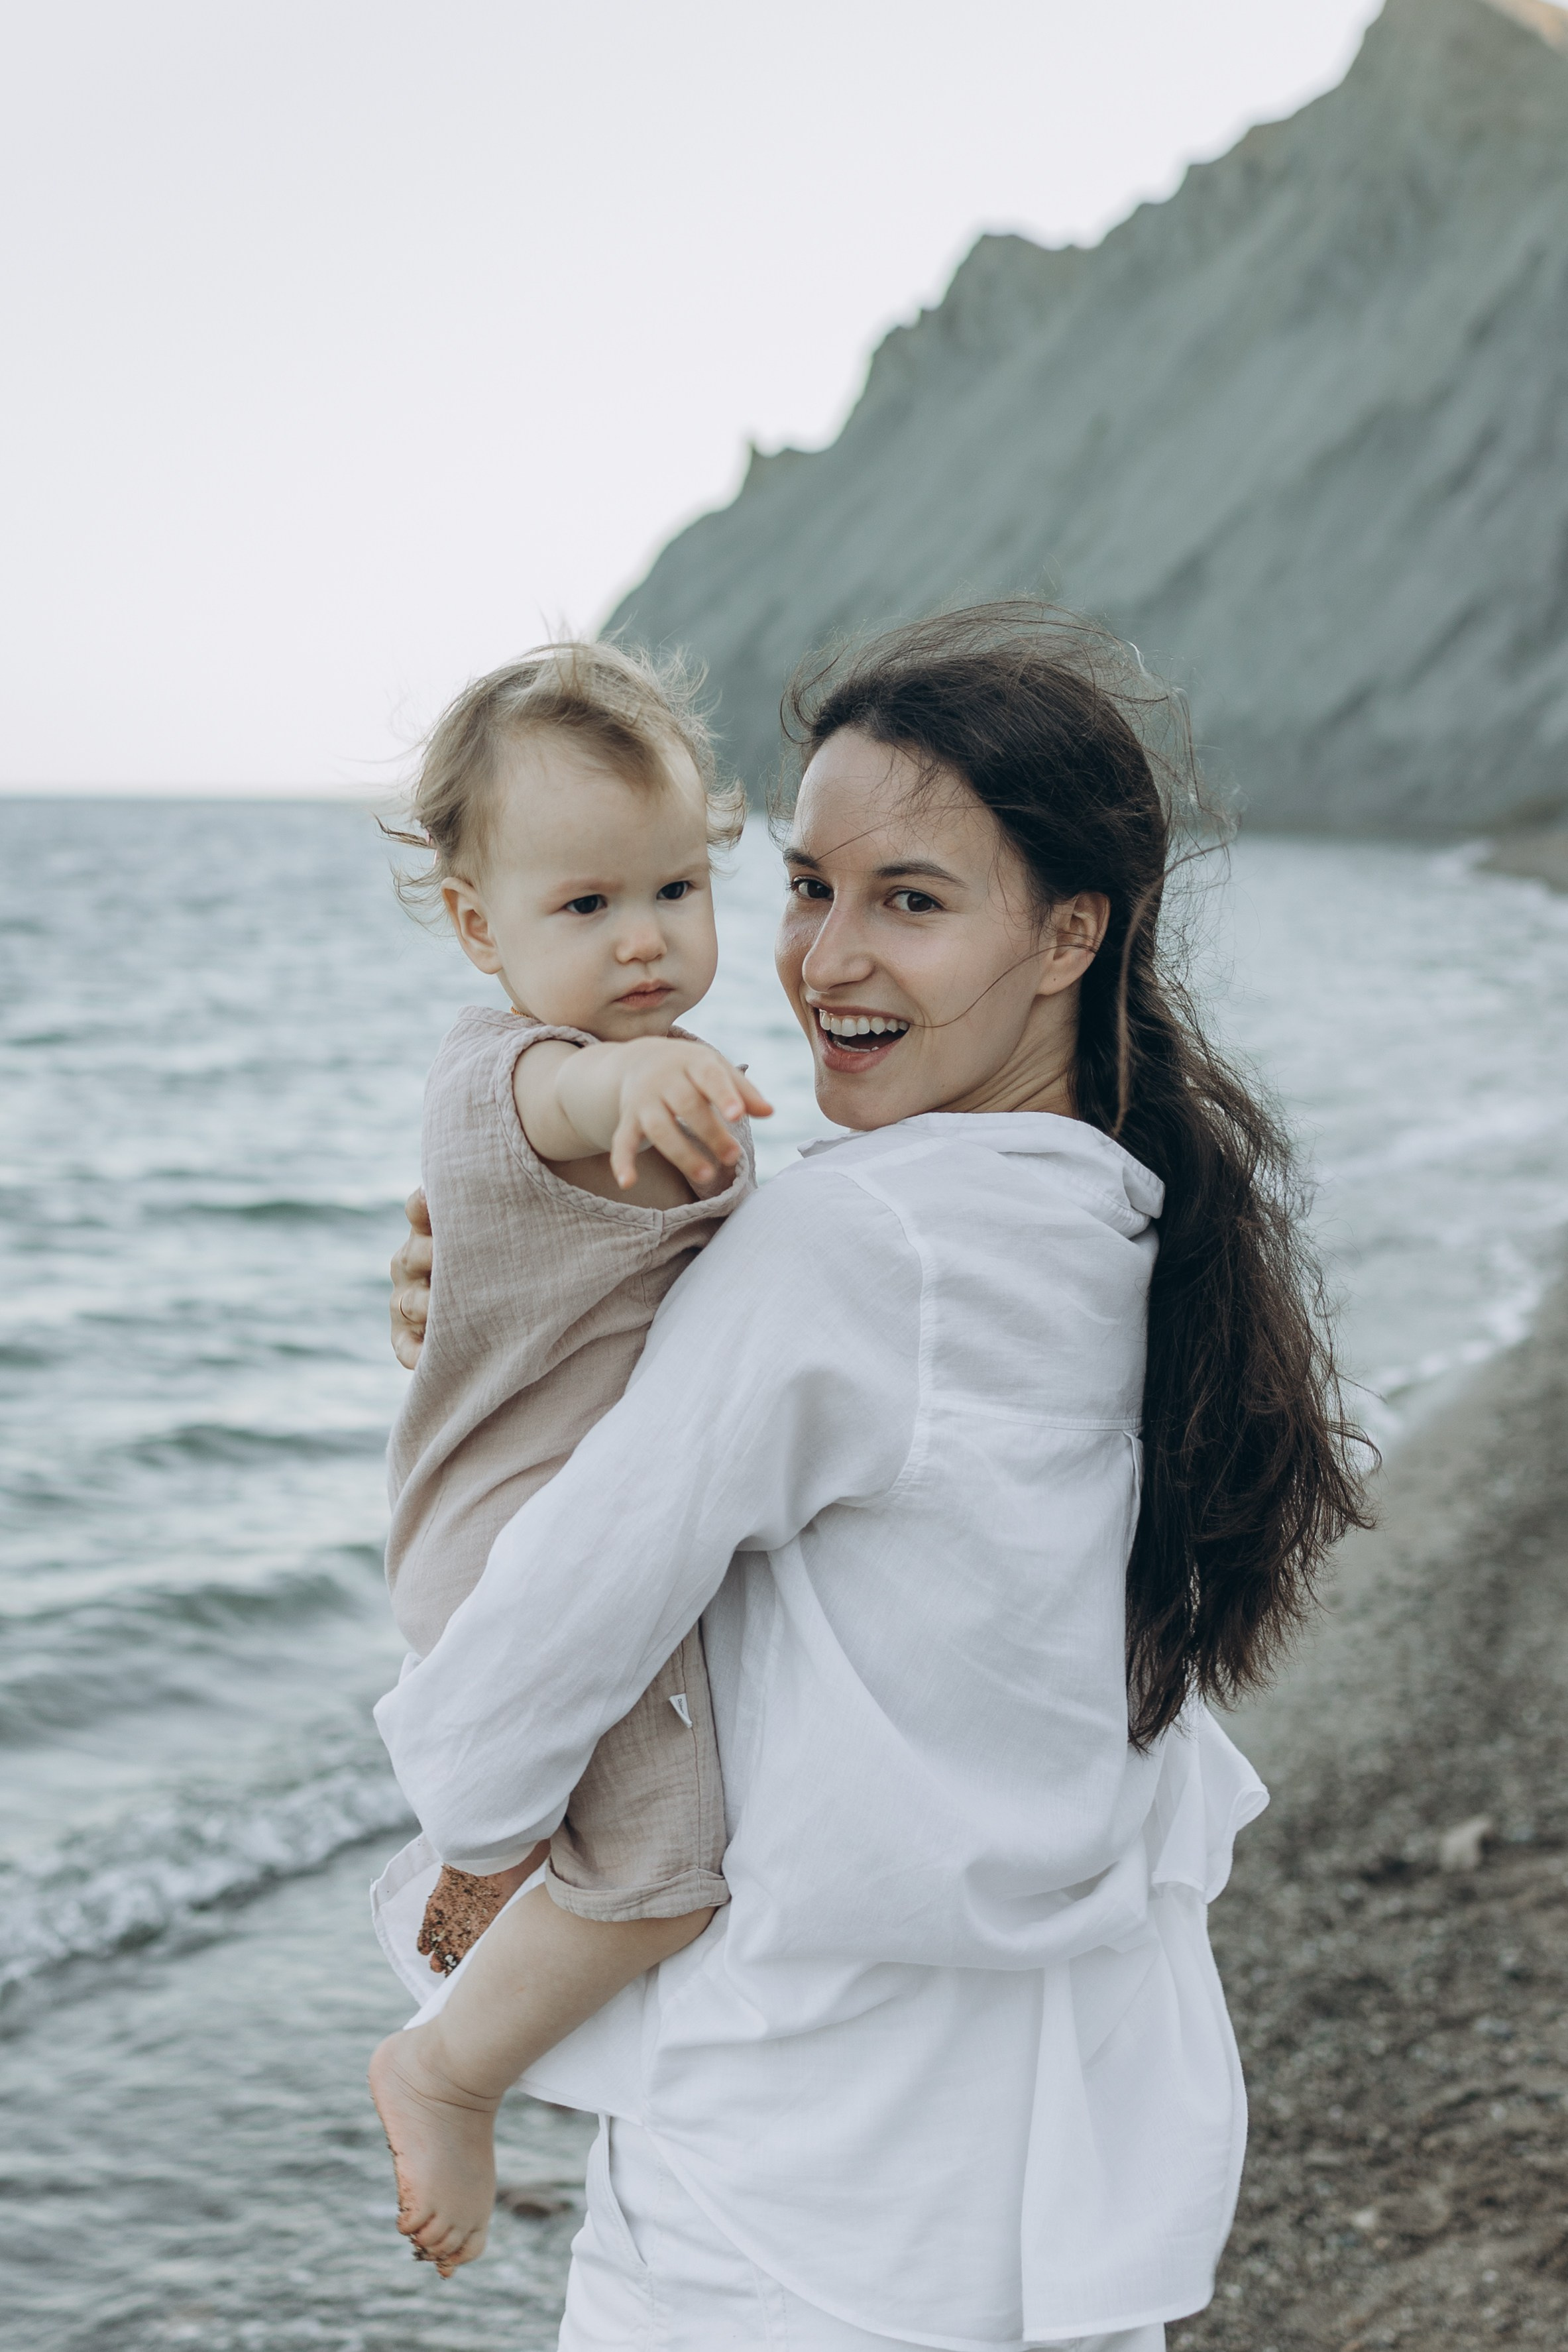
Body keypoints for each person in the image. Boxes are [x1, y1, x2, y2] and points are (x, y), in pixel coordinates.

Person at [377, 605, 1369, 2349]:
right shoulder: (1125, 1218)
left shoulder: (854, 1248)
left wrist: (475, 1823)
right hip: (1025, 2148)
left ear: (1070, 928)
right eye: (808, 887)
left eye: (907, 900)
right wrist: (531, 1284)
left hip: (798, 2169)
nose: (825, 958)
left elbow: (536, 1650)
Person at [366, 642, 771, 2272]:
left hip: (539, 1527)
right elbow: (569, 1100)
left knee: (570, 1817)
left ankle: (486, 1865)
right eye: (586, 905)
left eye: (676, 886)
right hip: (529, 1551)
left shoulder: (614, 1083)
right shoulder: (519, 1078)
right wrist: (645, 1076)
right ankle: (447, 2065)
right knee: (668, 1874)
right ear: (480, 928)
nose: (646, 937)